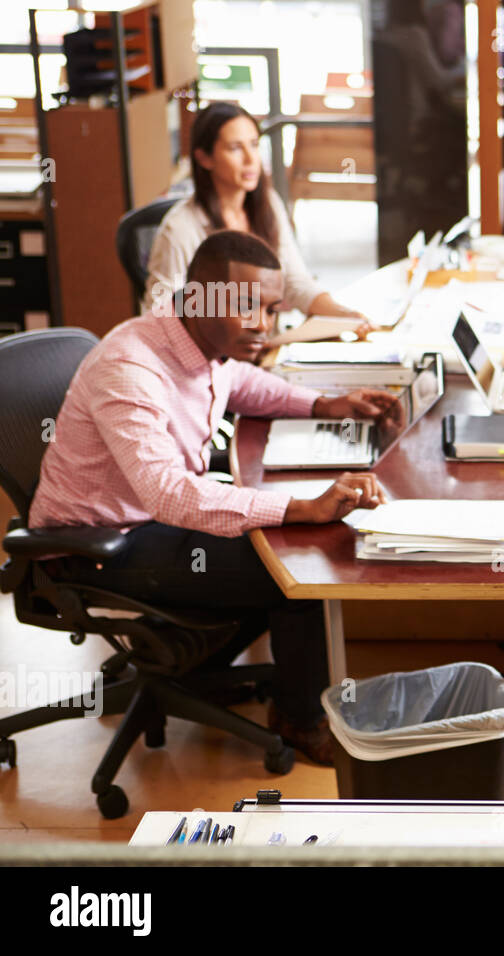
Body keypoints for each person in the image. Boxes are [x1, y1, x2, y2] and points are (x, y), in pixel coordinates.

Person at [29, 231, 397, 765]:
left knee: (280, 542)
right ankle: (299, 719)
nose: (263, 326)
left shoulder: (207, 347)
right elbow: (168, 494)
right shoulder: (131, 366)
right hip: (95, 545)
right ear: (198, 295)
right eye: (247, 308)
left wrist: (327, 404)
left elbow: (245, 385)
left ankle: (193, 666)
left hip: (144, 522)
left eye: (271, 310)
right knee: (297, 561)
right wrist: (302, 507)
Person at [145, 102, 371, 333]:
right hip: (214, 358)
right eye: (235, 148)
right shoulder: (180, 228)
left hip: (264, 346)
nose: (251, 159)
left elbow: (295, 283)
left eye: (254, 145)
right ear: (204, 158)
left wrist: (346, 315)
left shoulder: (268, 204)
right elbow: (161, 312)